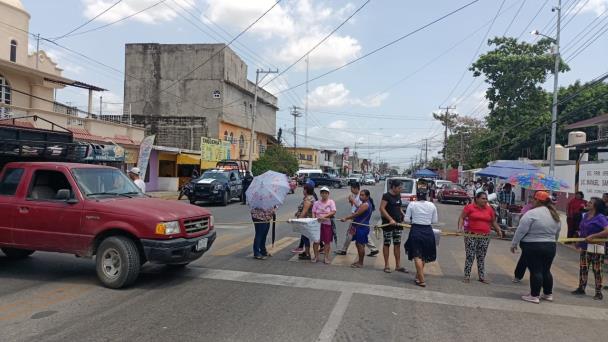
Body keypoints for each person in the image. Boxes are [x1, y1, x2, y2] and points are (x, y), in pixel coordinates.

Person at [510, 191, 561, 304]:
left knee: (536, 271)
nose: (532, 201)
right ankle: (548, 294)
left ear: (538, 200)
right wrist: (553, 242)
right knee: (546, 270)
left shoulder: (531, 213)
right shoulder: (554, 214)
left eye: (533, 199)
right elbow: (557, 232)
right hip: (550, 246)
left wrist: (514, 243)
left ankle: (534, 295)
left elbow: (521, 230)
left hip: (533, 245)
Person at [458, 191, 503, 283]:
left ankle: (481, 277)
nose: (485, 200)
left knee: (481, 256)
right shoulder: (469, 207)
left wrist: (498, 230)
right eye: (483, 198)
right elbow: (462, 217)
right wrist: (459, 229)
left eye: (486, 198)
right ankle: (467, 276)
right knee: (470, 256)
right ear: (477, 199)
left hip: (484, 236)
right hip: (471, 235)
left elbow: (493, 221)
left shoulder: (489, 209)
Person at [571, 197, 608, 300]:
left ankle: (598, 292)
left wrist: (594, 236)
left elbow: (607, 230)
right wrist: (578, 241)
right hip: (585, 246)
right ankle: (581, 288)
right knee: (583, 268)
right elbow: (583, 230)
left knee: (597, 270)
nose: (587, 203)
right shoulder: (586, 215)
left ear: (595, 206)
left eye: (590, 203)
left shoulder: (600, 217)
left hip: (596, 247)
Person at [404, 189, 439, 287]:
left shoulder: (412, 204)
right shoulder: (432, 205)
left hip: (416, 230)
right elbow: (435, 221)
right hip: (428, 231)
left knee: (417, 255)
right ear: (426, 195)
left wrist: (414, 219)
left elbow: (406, 219)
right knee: (423, 255)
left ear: (417, 196)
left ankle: (422, 279)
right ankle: (418, 276)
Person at [335, 182, 379, 256]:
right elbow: (356, 209)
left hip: (359, 223)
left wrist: (346, 217)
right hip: (358, 222)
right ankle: (373, 249)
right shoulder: (360, 198)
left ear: (356, 189)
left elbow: (358, 211)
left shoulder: (363, 202)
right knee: (354, 236)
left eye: (352, 188)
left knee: (359, 242)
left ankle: (345, 251)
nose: (351, 189)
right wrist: (352, 202)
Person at [341, 189, 375, 268]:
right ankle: (360, 261)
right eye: (360, 195)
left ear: (367, 196)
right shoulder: (364, 204)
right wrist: (353, 201)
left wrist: (346, 218)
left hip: (361, 227)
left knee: (360, 245)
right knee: (358, 244)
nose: (361, 196)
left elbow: (356, 214)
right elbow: (358, 207)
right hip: (359, 226)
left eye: (363, 195)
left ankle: (360, 262)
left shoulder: (365, 204)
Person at [379, 179, 408, 273]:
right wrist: (390, 219)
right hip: (388, 224)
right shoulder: (386, 196)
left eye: (401, 187)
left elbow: (399, 208)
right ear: (394, 187)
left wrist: (404, 215)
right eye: (399, 188)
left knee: (397, 244)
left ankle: (398, 265)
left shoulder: (398, 195)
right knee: (387, 243)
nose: (401, 189)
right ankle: (386, 265)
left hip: (398, 223)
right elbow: (382, 209)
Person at [313, 187, 337, 264]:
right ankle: (316, 256)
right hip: (317, 224)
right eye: (322, 193)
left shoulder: (331, 202)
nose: (324, 194)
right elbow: (313, 212)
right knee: (316, 241)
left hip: (327, 224)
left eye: (326, 193)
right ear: (320, 194)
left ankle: (326, 257)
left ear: (328, 194)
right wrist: (314, 220)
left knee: (327, 242)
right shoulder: (316, 203)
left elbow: (333, 211)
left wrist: (324, 216)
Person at [294, 184, 316, 261]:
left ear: (306, 190)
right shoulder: (309, 198)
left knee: (305, 236)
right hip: (307, 220)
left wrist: (298, 220)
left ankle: (307, 253)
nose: (303, 191)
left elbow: (304, 212)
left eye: (304, 189)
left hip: (306, 220)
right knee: (304, 236)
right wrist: (298, 213)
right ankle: (306, 252)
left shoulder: (308, 199)